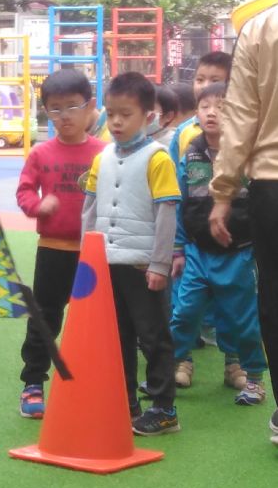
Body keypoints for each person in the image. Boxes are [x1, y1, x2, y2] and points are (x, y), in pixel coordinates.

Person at [82, 72, 181, 435]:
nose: (117, 122)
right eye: (111, 114)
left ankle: (164, 408)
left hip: (142, 266)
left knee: (153, 336)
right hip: (108, 264)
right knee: (117, 336)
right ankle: (126, 401)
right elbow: (89, 210)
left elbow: (166, 213)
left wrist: (159, 263)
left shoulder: (158, 158)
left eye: (126, 114)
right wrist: (86, 257)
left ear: (148, 117)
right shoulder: (102, 157)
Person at [169, 83, 267, 402]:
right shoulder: (191, 154)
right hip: (197, 253)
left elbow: (262, 204)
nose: (212, 113)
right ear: (196, 113)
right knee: (184, 311)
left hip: (239, 253)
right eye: (205, 106)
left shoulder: (248, 155)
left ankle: (252, 377)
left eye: (222, 106)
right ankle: (170, 367)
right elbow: (180, 203)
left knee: (242, 318)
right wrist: (178, 248)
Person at [16, 70, 106, 418]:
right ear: (46, 112)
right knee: (44, 317)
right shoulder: (41, 153)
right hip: (53, 249)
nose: (64, 115)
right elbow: (24, 191)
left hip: (94, 253)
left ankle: (96, 381)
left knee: (95, 320)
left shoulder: (104, 153)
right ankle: (33, 382)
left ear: (90, 106)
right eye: (55, 108)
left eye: (72, 106)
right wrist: (38, 206)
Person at [209, 3, 278, 444]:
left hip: (272, 182)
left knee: (275, 297)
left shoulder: (261, 27)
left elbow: (240, 119)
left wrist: (223, 192)